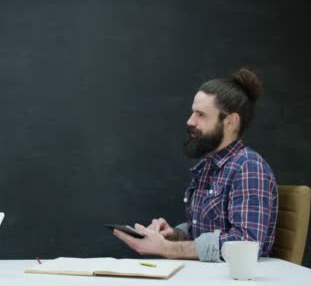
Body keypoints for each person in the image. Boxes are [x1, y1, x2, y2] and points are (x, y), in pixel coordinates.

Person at [113, 68, 278, 262]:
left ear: (231, 122)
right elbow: (206, 231)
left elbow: (247, 243)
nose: (190, 121)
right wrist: (175, 235)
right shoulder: (208, 166)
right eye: (192, 112)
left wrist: (168, 249)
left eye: (201, 114)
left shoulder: (248, 167)